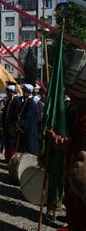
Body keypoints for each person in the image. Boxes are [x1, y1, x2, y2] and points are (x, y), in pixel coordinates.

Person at [47, 60, 86, 230]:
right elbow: (74, 145)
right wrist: (57, 140)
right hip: (75, 195)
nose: (73, 102)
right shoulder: (82, 120)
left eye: (77, 99)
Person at [1, 81, 22, 162]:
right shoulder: (8, 101)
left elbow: (17, 115)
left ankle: (11, 160)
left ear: (11, 92)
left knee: (11, 144)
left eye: (8, 92)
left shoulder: (16, 101)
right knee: (7, 143)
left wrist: (14, 126)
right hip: (6, 125)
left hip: (12, 127)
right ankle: (7, 158)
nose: (7, 93)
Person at [17, 84, 39, 155]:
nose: (23, 93)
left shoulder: (31, 103)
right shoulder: (25, 102)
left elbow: (28, 118)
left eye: (25, 91)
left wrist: (20, 124)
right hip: (22, 130)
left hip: (28, 131)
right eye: (23, 91)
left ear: (29, 92)